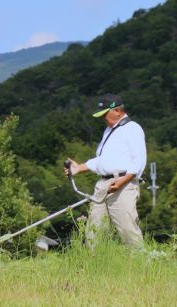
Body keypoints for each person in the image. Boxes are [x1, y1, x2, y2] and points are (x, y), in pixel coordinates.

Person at [65, 94, 146, 249]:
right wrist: (79, 168)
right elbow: (103, 160)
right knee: (94, 230)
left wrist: (121, 182)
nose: (102, 118)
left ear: (117, 111)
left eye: (104, 114)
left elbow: (139, 161)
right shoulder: (109, 131)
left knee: (126, 228)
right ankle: (93, 264)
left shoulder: (132, 128)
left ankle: (140, 264)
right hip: (103, 184)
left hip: (123, 183)